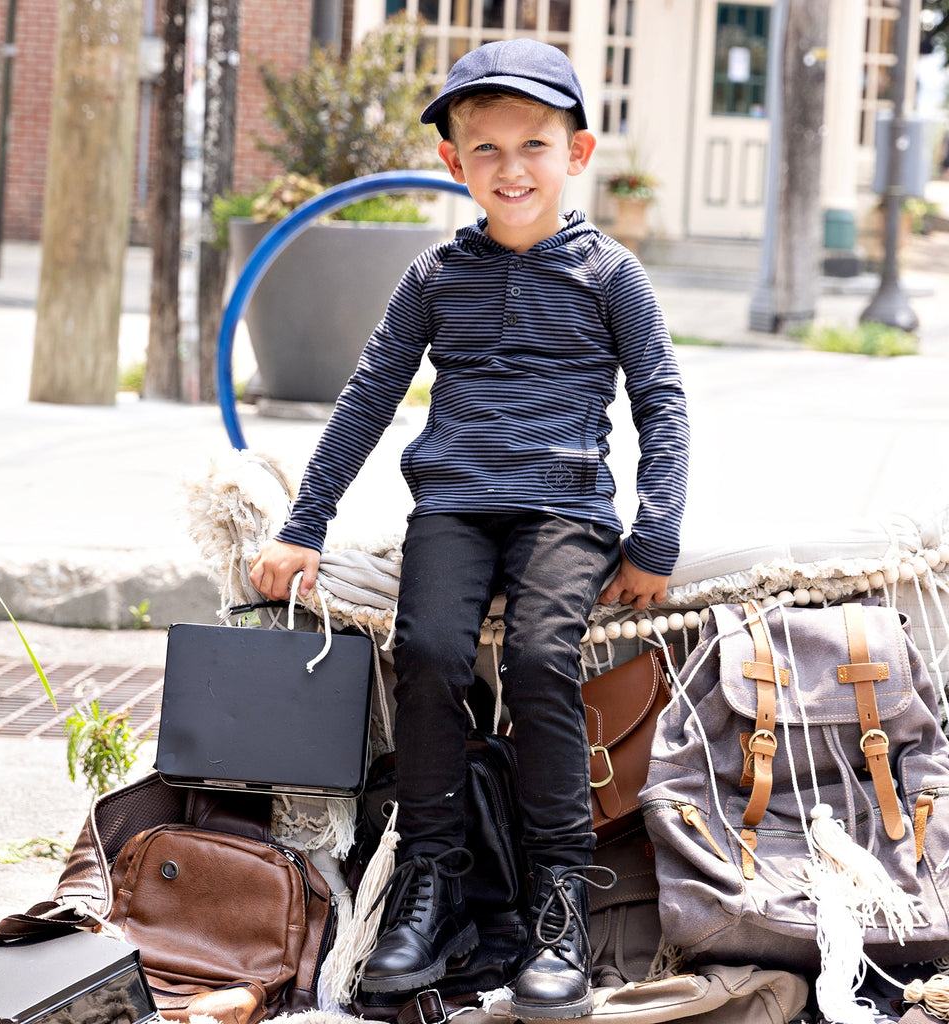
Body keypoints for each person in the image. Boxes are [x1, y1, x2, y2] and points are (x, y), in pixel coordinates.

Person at [249, 37, 690, 1020]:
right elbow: (367, 398)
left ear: (576, 153)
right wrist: (302, 525)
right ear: (452, 163)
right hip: (452, 504)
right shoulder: (434, 276)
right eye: (484, 148)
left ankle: (560, 900)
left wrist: (654, 539)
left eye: (533, 142)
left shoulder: (612, 276)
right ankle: (432, 883)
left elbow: (662, 403)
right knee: (434, 652)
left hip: (563, 509)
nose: (510, 166)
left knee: (539, 657)